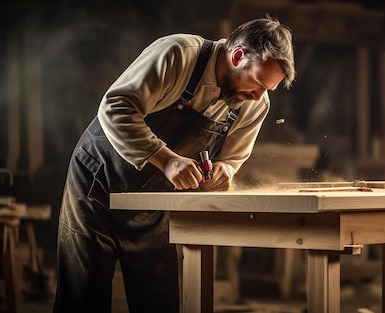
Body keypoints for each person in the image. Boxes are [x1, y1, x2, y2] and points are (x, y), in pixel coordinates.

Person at [54, 16, 295, 313]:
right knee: (82, 296)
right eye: (258, 83)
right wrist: (167, 160)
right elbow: (116, 106)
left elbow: (232, 158)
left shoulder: (256, 103)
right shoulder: (178, 54)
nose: (258, 96)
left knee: (159, 302)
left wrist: (225, 171)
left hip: (155, 204)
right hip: (97, 185)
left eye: (268, 89)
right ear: (237, 56)